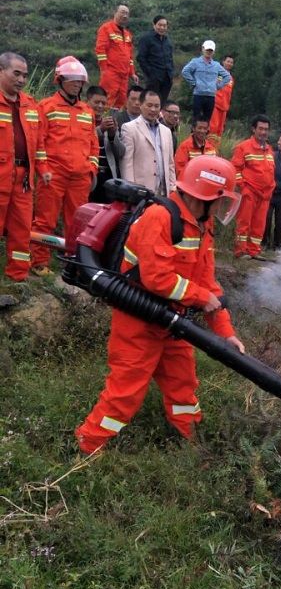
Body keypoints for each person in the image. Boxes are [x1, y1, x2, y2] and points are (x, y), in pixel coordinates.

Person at [75, 155, 245, 456]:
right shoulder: (160, 217)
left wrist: (225, 333)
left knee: (183, 383)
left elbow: (208, 284)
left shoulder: (201, 226)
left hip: (173, 322)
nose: (222, 208)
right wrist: (200, 298)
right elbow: (157, 279)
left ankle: (191, 439)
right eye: (221, 200)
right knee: (124, 392)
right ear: (205, 195)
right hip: (138, 323)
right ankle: (87, 447)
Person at [30, 57, 99, 276]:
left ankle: (74, 263)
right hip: (53, 175)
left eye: (80, 80)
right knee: (45, 220)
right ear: (60, 80)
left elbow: (94, 146)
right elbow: (38, 142)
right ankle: (39, 262)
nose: (77, 83)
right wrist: (43, 170)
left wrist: (91, 171)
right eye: (72, 79)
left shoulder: (87, 111)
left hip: (80, 178)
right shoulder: (46, 107)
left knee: (78, 224)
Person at [0, 52, 45, 281]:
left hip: (23, 178)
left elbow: (39, 142)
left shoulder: (30, 104)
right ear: (1, 71)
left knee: (21, 228)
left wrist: (43, 170)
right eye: (16, 73)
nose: (21, 80)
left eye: (25, 76)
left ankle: (17, 275)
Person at [231, 114, 275, 260]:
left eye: (266, 129)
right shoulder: (243, 147)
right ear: (253, 129)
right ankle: (240, 251)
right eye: (261, 129)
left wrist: (271, 187)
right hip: (249, 191)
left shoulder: (269, 149)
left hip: (265, 194)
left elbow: (270, 171)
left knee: (259, 224)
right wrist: (243, 188)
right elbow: (235, 170)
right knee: (244, 222)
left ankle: (254, 250)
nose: (263, 132)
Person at [120, 89, 175, 196]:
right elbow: (127, 163)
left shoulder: (166, 131)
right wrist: (130, 190)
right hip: (140, 191)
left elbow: (170, 163)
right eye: (149, 105)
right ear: (140, 105)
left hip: (163, 192)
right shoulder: (129, 128)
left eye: (156, 106)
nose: (153, 109)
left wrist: (172, 187)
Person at [95, 4, 138, 111]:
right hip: (111, 72)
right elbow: (100, 50)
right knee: (107, 99)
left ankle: (116, 126)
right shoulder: (106, 28)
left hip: (124, 75)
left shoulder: (128, 34)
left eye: (127, 13)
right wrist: (104, 69)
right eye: (122, 12)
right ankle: (102, 123)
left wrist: (132, 73)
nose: (125, 15)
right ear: (115, 13)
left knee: (121, 102)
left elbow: (130, 56)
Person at [86, 85, 125, 203]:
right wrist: (100, 130)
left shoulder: (109, 122)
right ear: (87, 101)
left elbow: (121, 153)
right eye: (96, 102)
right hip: (89, 174)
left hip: (108, 176)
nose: (100, 106)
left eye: (103, 103)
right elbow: (82, 143)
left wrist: (113, 135)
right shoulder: (83, 120)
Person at [181, 40, 231, 122]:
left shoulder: (216, 65)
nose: (209, 52)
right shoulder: (195, 62)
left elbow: (227, 76)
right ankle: (193, 134)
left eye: (211, 51)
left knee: (208, 120)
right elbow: (185, 71)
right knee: (196, 119)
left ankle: (206, 134)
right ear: (203, 49)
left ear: (213, 52)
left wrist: (218, 86)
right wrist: (193, 83)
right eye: (207, 50)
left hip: (211, 96)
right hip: (198, 95)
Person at [137, 15, 174, 105]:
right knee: (151, 102)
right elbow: (141, 58)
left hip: (167, 78)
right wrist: (151, 74)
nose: (162, 28)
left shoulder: (167, 41)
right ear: (154, 25)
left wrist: (171, 72)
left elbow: (170, 58)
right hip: (154, 78)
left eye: (164, 25)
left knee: (162, 103)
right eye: (159, 25)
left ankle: (159, 119)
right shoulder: (146, 39)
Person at [208, 54, 234, 149]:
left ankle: (215, 149)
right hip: (215, 104)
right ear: (223, 62)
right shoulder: (218, 73)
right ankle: (209, 147)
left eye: (231, 62)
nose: (229, 64)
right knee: (213, 127)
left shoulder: (231, 78)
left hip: (224, 107)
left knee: (220, 129)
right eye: (228, 61)